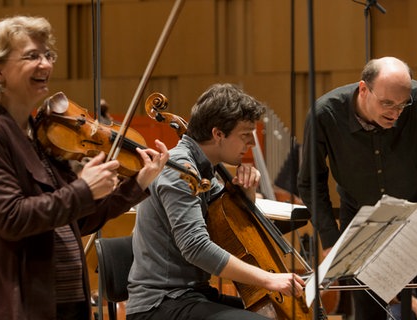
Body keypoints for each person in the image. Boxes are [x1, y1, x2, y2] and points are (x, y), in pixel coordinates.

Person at [0, 15, 169, 320]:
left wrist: (137, 185)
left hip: (64, 302)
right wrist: (83, 189)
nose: (45, 63)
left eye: (48, 55)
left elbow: (77, 221)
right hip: (17, 304)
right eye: (32, 55)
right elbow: (11, 218)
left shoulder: (40, 135)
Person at [297, 57, 417, 320]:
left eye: (402, 105)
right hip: (365, 220)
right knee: (369, 310)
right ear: (363, 89)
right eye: (387, 103)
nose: (396, 113)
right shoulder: (325, 115)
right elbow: (310, 181)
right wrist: (330, 239)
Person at [126, 83, 305, 320]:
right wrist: (269, 279)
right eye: (245, 136)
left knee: (281, 312)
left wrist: (248, 194)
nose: (251, 145)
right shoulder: (179, 170)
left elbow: (228, 224)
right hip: (160, 303)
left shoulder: (204, 170)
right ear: (218, 134)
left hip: (193, 294)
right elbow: (196, 247)